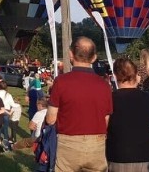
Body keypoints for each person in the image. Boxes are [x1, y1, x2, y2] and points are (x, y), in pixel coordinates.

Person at [45, 36, 113, 172]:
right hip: (97, 143)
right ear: (94, 58)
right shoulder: (104, 85)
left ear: (71, 54)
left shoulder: (61, 81)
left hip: (68, 142)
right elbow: (106, 119)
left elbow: (51, 118)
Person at [106, 57, 149, 172]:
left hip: (119, 154)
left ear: (115, 76)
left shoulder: (110, 99)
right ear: (136, 75)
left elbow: (104, 125)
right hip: (146, 155)